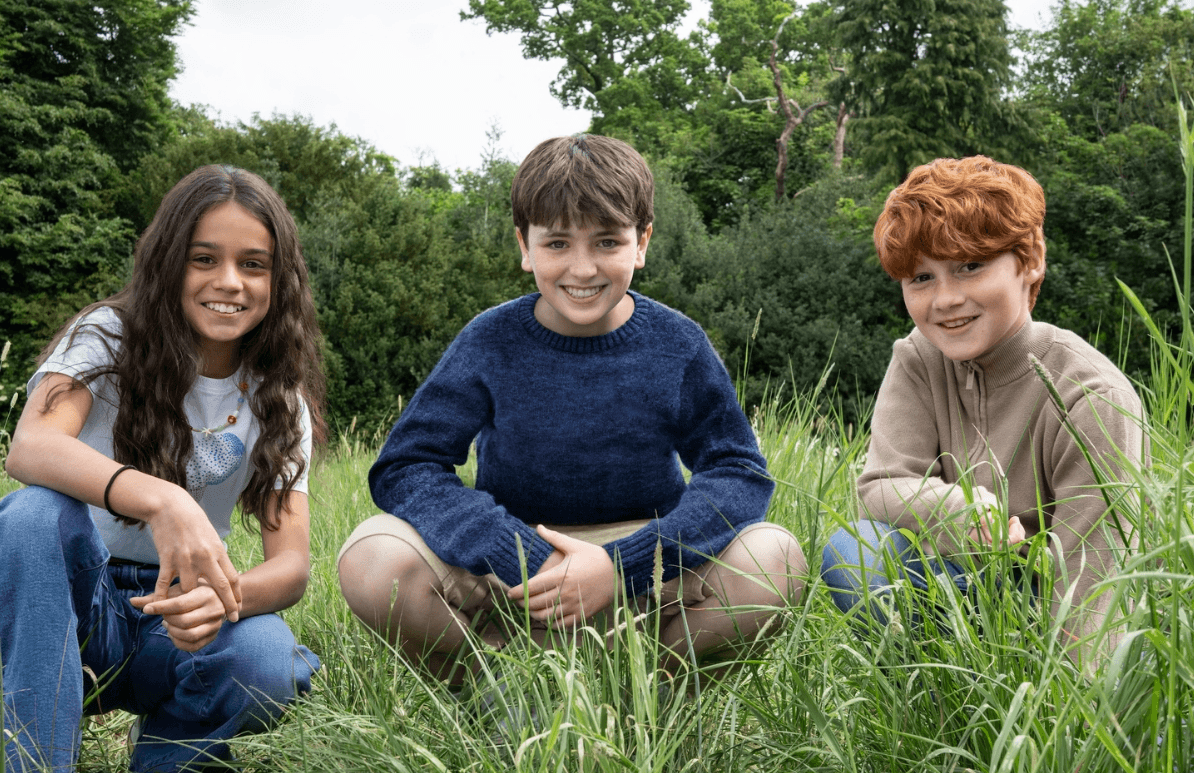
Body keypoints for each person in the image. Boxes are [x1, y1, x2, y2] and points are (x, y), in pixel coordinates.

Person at [337, 134, 806, 691]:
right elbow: (406, 466)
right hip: (510, 576)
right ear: (524, 245)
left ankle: (640, 698)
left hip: (645, 574)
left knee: (776, 558)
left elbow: (737, 470)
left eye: (607, 241)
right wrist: (517, 552)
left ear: (642, 242)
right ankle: (504, 692)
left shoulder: (677, 343)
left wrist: (623, 565)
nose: (582, 269)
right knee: (371, 558)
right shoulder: (490, 340)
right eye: (557, 243)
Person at [0, 165, 326, 772]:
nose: (229, 282)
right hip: (69, 600)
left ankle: (164, 758)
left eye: (253, 264)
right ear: (169, 262)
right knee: (33, 512)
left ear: (279, 279)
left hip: (179, 615)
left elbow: (292, 566)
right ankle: (33, 763)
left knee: (267, 657)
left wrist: (229, 597)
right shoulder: (108, 336)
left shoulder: (278, 396)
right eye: (204, 259)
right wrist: (164, 500)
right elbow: (29, 445)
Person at [820, 156, 1145, 669]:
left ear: (1030, 260)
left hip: (1048, 605)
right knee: (853, 549)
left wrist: (1076, 716)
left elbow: (1095, 576)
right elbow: (880, 485)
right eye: (921, 278)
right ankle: (933, 708)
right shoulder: (918, 360)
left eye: (970, 267)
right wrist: (962, 511)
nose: (946, 299)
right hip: (954, 586)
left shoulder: (1091, 393)